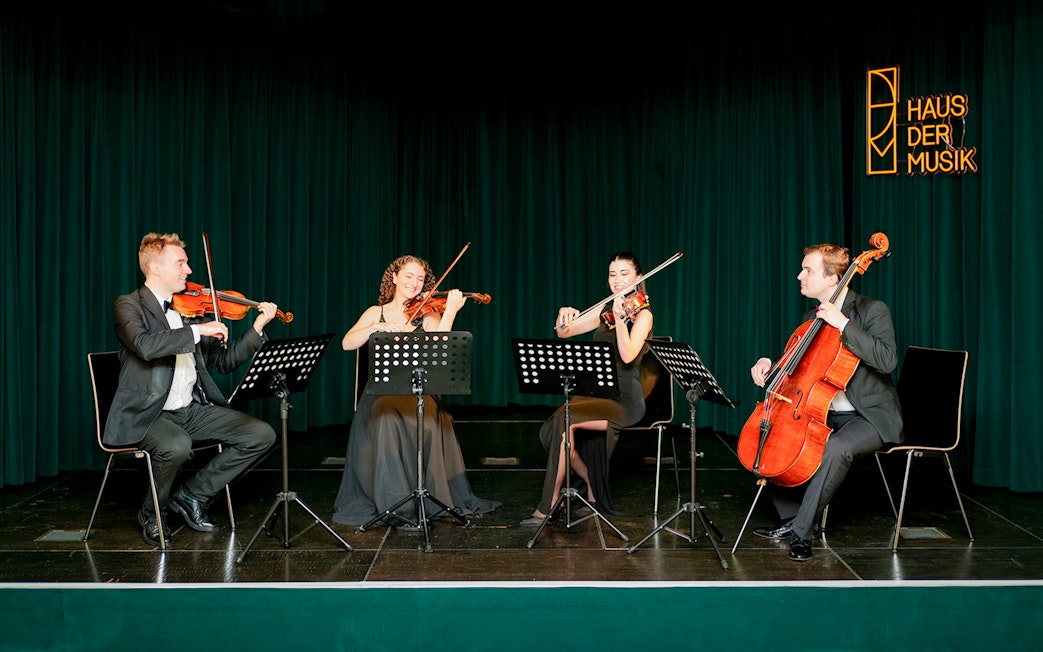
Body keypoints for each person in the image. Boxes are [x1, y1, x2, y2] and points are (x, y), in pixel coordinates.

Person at [105, 233, 278, 547]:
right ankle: (151, 513)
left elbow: (223, 363)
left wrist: (256, 329)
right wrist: (197, 330)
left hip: (191, 409)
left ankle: (190, 495)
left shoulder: (187, 311)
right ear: (155, 268)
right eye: (181, 263)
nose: (189, 270)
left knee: (261, 434)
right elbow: (145, 346)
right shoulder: (128, 305)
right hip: (148, 414)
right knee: (177, 446)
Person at [749, 243, 903, 561]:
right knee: (774, 439)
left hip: (867, 415)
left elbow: (887, 361)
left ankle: (802, 533)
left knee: (836, 449)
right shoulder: (812, 316)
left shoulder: (872, 310)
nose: (799, 275)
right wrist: (769, 363)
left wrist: (843, 324)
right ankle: (794, 517)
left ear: (833, 278)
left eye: (808, 270)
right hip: (822, 412)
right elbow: (801, 367)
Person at [332, 255, 501, 527]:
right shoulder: (377, 312)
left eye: (420, 279)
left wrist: (451, 312)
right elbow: (347, 343)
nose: (414, 283)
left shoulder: (429, 313)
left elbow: (442, 349)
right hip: (382, 393)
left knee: (432, 421)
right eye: (408, 276)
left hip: (421, 391)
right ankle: (396, 505)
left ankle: (427, 497)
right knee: (386, 417)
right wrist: (378, 327)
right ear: (395, 278)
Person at [520, 251, 653, 526]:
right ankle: (592, 483)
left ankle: (549, 504)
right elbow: (564, 332)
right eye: (612, 274)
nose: (616, 281)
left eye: (624, 274)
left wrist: (619, 321)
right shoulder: (605, 311)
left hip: (625, 400)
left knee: (563, 421)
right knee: (550, 430)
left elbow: (628, 355)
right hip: (598, 393)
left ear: (639, 278)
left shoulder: (644, 315)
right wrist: (562, 315)